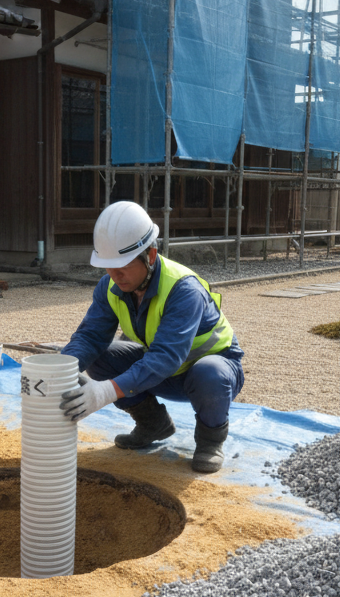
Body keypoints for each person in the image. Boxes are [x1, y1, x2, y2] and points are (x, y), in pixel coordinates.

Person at [58, 200, 245, 473]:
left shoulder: (184, 290)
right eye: (108, 266)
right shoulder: (109, 286)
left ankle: (210, 441)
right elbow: (90, 337)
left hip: (210, 375)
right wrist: (59, 370)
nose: (115, 274)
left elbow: (166, 357)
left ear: (151, 255)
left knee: (210, 372)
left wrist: (105, 392)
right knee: (100, 357)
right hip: (161, 372)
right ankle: (153, 424)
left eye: (123, 265)